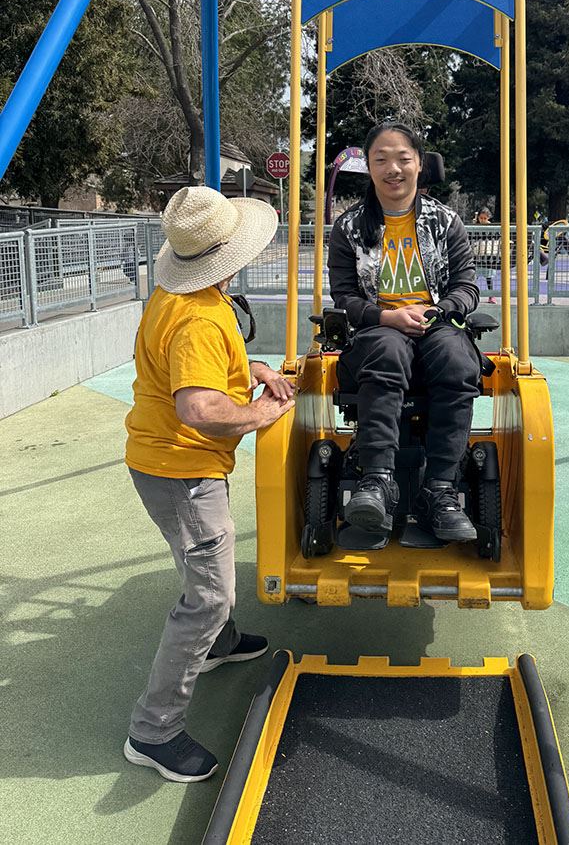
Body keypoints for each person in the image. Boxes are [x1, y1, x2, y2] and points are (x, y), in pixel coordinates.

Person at [123, 186, 295, 783]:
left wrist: (254, 369)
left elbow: (196, 368)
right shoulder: (198, 316)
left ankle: (220, 644)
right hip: (182, 469)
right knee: (208, 594)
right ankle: (154, 731)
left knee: (203, 570)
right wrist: (261, 414)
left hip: (165, 462)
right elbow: (197, 406)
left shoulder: (178, 293)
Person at [328, 120, 482, 543]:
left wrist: (438, 310)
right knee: (387, 351)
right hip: (379, 330)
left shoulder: (445, 222)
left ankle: (440, 490)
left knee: (456, 359)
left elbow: (467, 288)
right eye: (381, 159)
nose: (393, 168)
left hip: (435, 325)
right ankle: (377, 480)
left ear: (420, 165)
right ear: (369, 168)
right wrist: (386, 316)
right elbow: (343, 295)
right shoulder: (349, 228)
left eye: (403, 158)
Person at [471, 206, 500, 303]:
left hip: (488, 256)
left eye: (485, 218)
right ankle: (471, 295)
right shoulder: (475, 226)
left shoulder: (491, 227)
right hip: (477, 255)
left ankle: (491, 296)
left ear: (488, 218)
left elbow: (497, 238)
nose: (482, 220)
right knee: (474, 277)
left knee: (489, 277)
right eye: (481, 218)